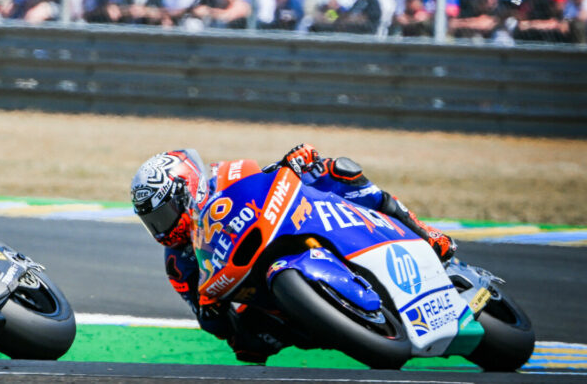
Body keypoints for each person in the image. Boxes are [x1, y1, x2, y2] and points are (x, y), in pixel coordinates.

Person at [129, 144, 456, 364]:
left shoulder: (224, 177)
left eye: (164, 214)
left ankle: (425, 232)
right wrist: (210, 313)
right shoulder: (177, 261)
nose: (162, 227)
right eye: (152, 220)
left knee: (338, 170)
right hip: (257, 291)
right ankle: (325, 318)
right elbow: (206, 319)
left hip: (284, 228)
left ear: (188, 188)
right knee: (246, 346)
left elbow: (267, 178)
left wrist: (296, 162)